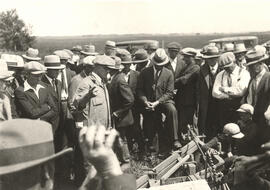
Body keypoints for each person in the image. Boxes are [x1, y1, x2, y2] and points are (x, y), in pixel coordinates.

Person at [137, 48, 181, 154]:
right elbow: (139, 90)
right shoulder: (145, 72)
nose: (159, 66)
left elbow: (170, 93)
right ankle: (150, 142)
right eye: (157, 64)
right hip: (149, 101)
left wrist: (158, 102)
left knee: (172, 110)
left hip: (163, 101)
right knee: (149, 118)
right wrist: (145, 101)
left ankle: (175, 139)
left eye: (161, 64)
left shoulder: (169, 73)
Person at [68, 55, 97, 186]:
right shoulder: (77, 80)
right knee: (81, 153)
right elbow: (73, 103)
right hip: (79, 121)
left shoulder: (92, 80)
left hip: (90, 121)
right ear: (86, 67)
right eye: (91, 67)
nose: (93, 70)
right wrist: (78, 122)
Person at [14, 61, 58, 131]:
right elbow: (32, 113)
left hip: (45, 127)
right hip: (29, 129)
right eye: (36, 76)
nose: (39, 78)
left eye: (40, 75)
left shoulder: (43, 87)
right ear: (27, 75)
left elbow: (54, 109)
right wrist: (47, 106)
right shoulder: (20, 91)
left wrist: (40, 119)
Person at [213, 52, 250, 131]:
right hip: (224, 109)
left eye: (228, 67)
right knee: (225, 130)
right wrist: (228, 95)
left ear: (234, 62)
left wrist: (224, 89)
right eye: (224, 68)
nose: (226, 69)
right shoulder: (220, 75)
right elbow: (215, 92)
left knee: (238, 129)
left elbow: (240, 91)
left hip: (238, 108)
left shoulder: (244, 73)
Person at [107, 55, 134, 163]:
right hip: (119, 117)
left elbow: (130, 100)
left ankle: (126, 161)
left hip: (122, 118)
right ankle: (121, 160)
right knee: (119, 138)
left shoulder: (119, 80)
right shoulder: (114, 78)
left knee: (121, 139)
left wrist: (118, 113)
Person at [243, 47, 270, 146]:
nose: (249, 69)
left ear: (260, 64)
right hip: (253, 122)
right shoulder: (252, 79)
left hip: (265, 122)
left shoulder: (268, 78)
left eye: (251, 66)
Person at [119, 52, 144, 158]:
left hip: (134, 108)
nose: (126, 66)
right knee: (126, 130)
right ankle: (128, 151)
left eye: (128, 64)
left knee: (136, 129)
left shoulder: (137, 74)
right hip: (123, 108)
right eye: (124, 64)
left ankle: (142, 150)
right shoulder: (118, 75)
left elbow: (140, 91)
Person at [196, 45, 221, 140]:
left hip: (220, 103)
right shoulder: (201, 70)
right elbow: (198, 89)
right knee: (207, 124)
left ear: (217, 58)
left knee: (219, 123)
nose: (210, 61)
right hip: (206, 103)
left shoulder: (223, 68)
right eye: (208, 59)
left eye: (212, 58)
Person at [175, 48, 200, 138]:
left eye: (186, 57)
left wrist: (172, 82)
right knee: (182, 123)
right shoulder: (186, 67)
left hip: (189, 101)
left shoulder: (196, 68)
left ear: (191, 57)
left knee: (189, 124)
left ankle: (191, 141)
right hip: (182, 100)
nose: (183, 59)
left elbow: (184, 80)